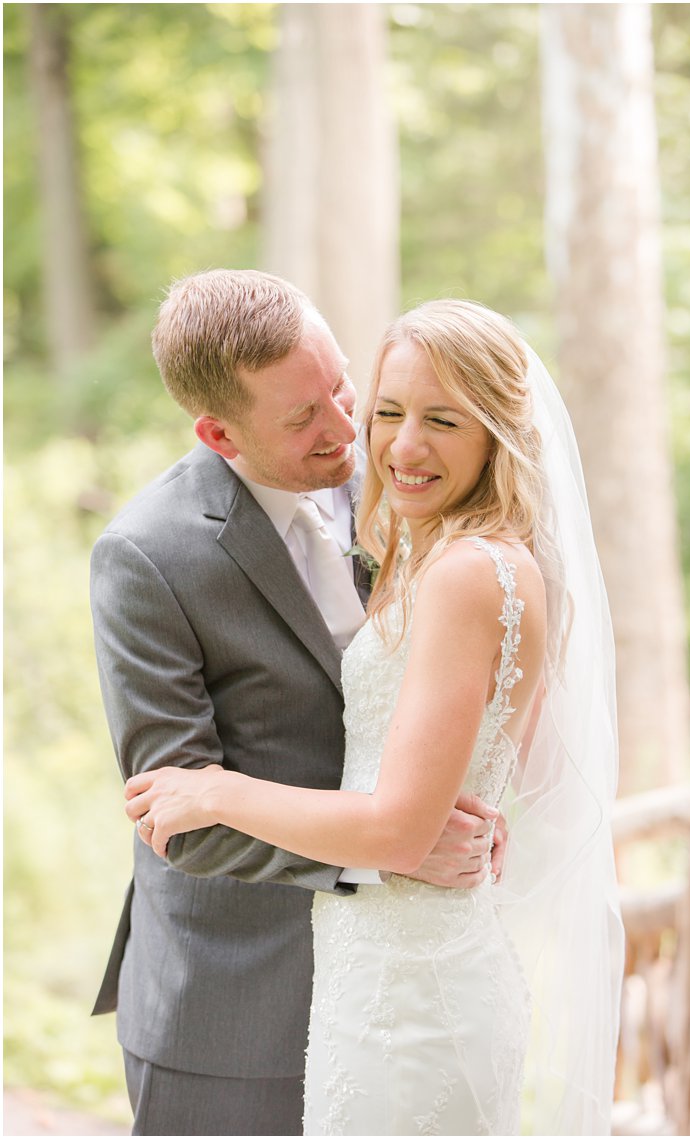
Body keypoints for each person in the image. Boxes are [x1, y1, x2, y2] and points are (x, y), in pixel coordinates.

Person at [123, 299, 624, 1135]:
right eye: (388, 411)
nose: (391, 443)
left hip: (414, 985)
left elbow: (403, 824)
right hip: (359, 967)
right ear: (223, 434)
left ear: (500, 431)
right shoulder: (420, 532)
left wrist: (213, 791)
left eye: (442, 418)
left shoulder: (464, 566)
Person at [90, 271, 503, 1136]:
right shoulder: (146, 556)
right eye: (302, 417)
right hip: (232, 1007)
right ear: (218, 432)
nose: (346, 426)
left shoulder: (399, 477)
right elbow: (183, 817)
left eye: (341, 385)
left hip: (392, 990)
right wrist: (388, 850)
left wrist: (480, 803)